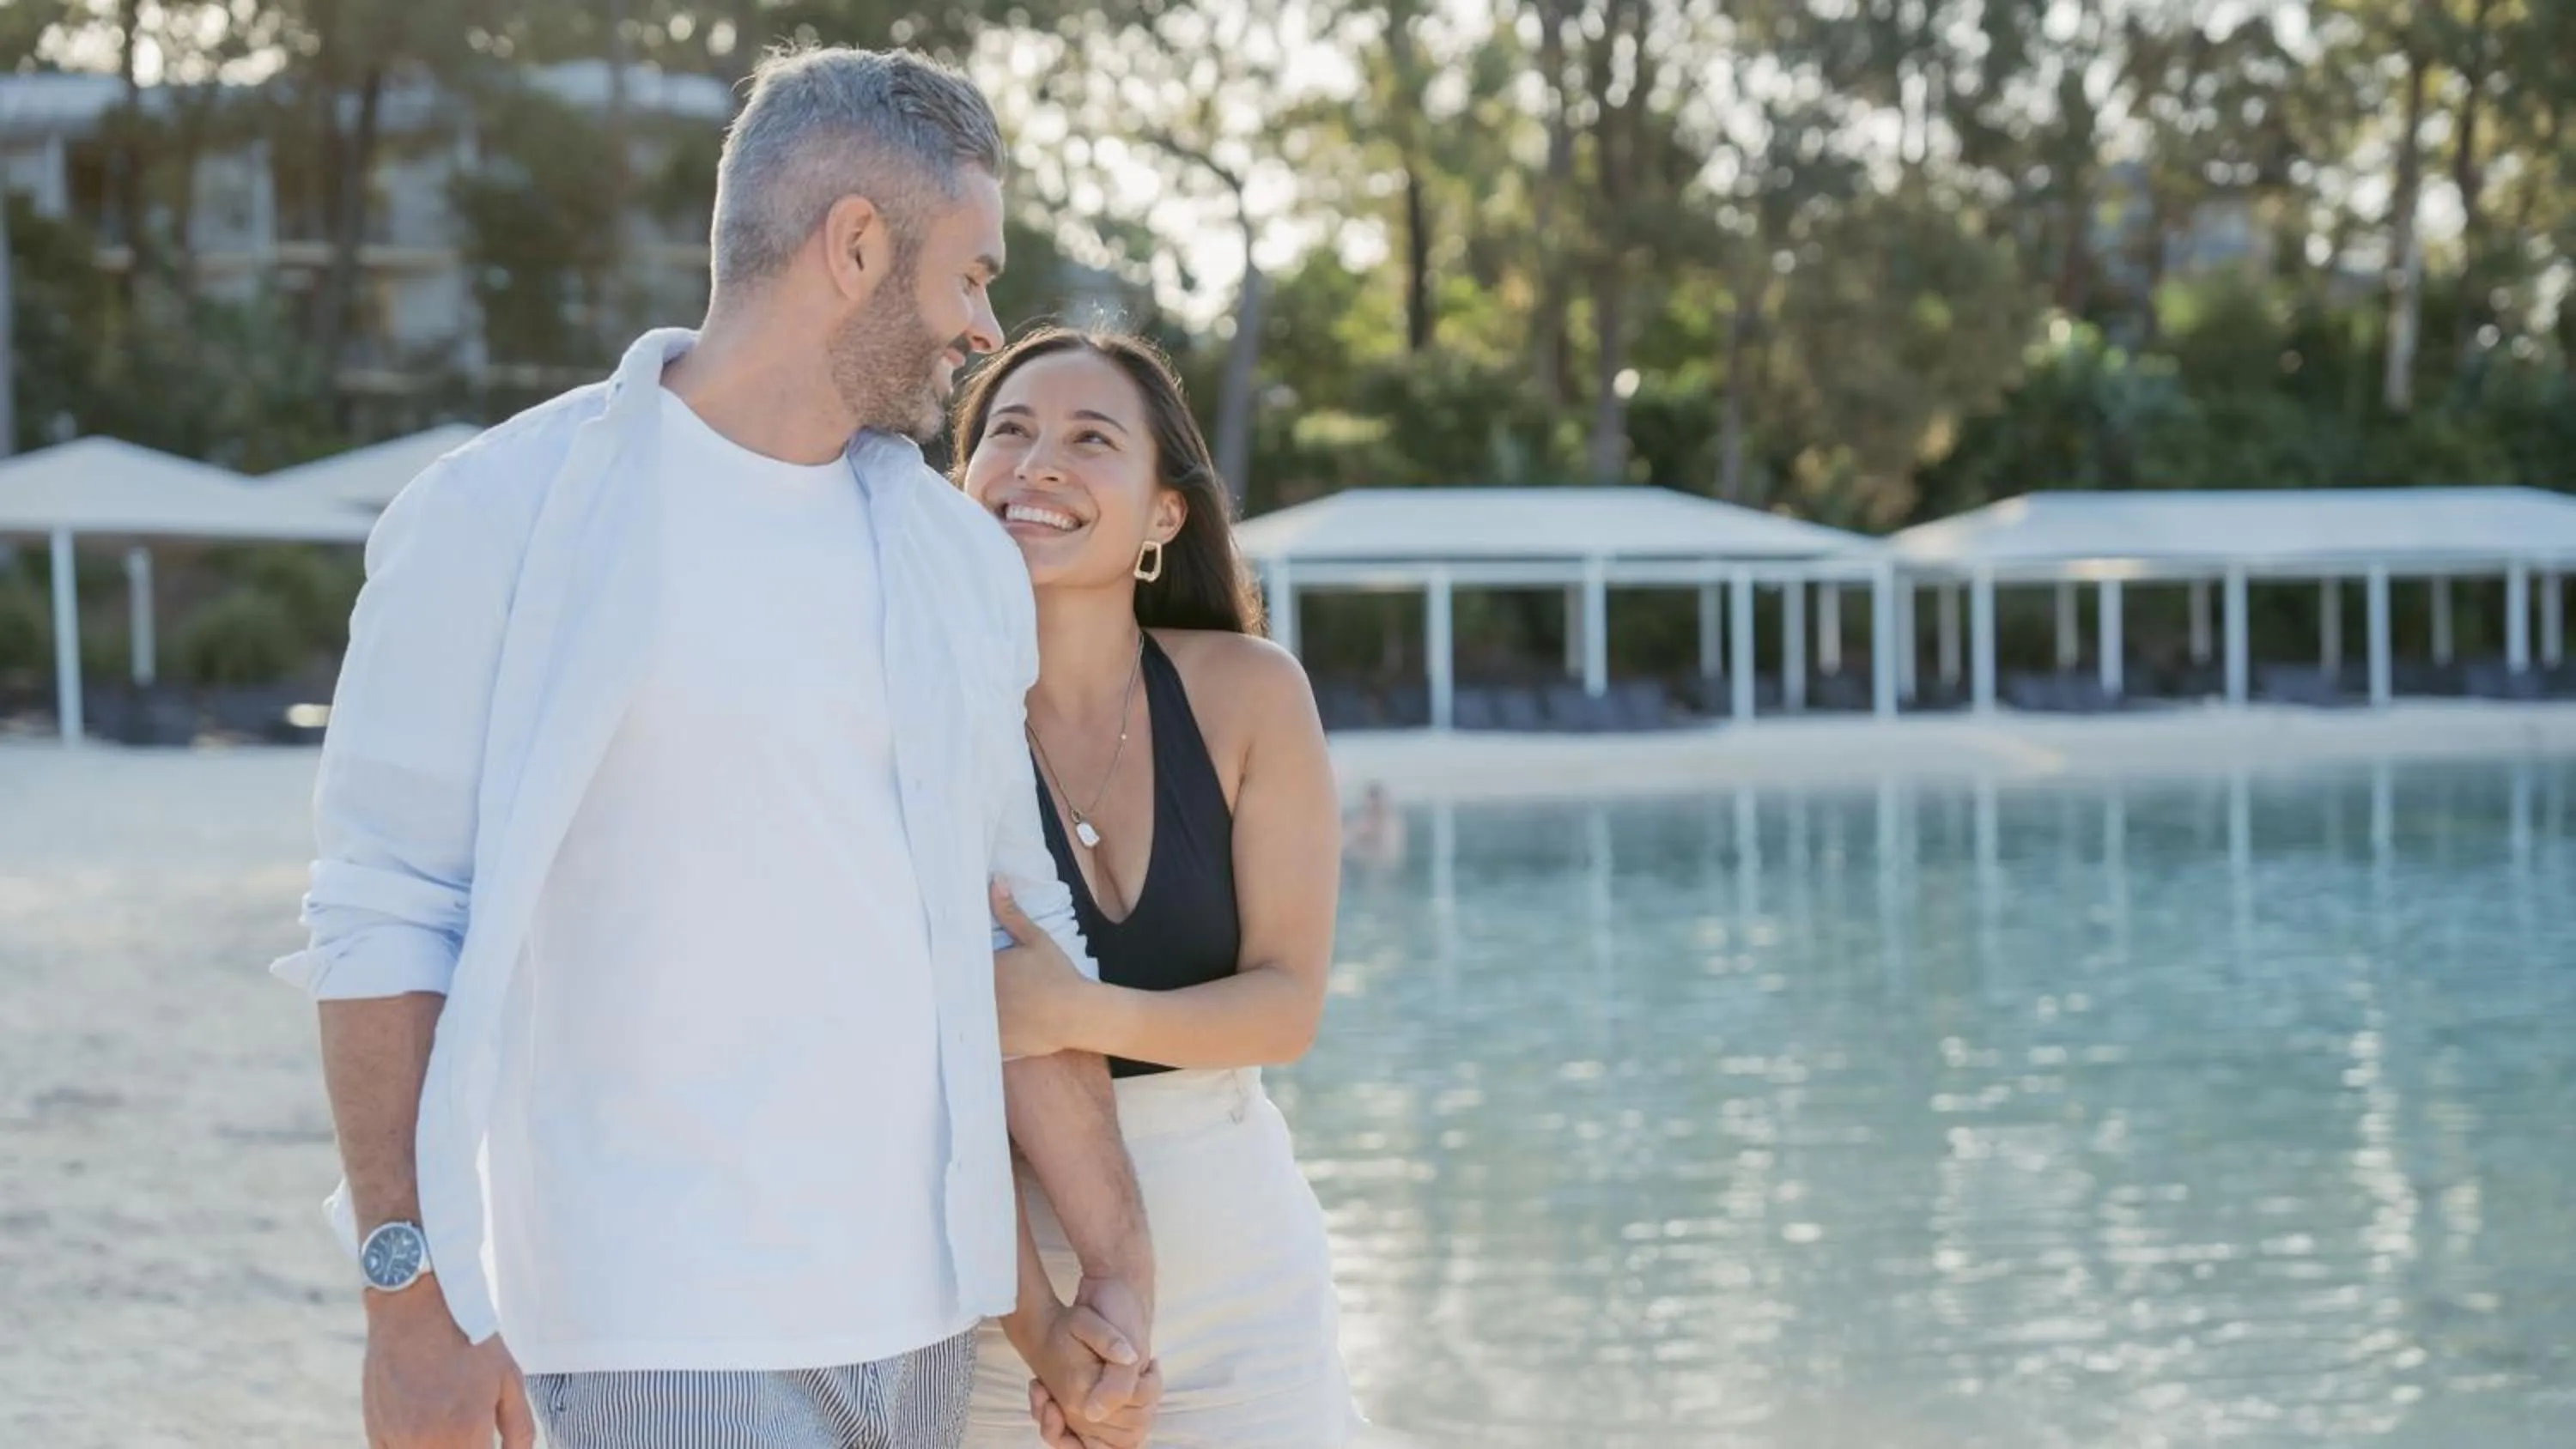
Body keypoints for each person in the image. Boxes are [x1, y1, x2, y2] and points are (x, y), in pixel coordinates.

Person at [271, 49, 1159, 1449]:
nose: (985, 329)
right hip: (652, 1332)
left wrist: (1109, 1267)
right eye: (972, 276)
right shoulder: (497, 516)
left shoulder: (957, 561)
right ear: (855, 247)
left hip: (923, 1331)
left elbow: (1008, 930)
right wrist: (407, 1303)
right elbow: (384, 915)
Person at [950, 326, 1365, 1447]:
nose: (1038, 464)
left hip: (1248, 1298)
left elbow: (1285, 1008)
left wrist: (1073, 1012)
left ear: (1165, 514)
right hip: (1003, 1314)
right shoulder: (914, 714)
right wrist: (1043, 1329)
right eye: (1009, 432)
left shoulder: (1249, 694)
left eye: (1091, 439)